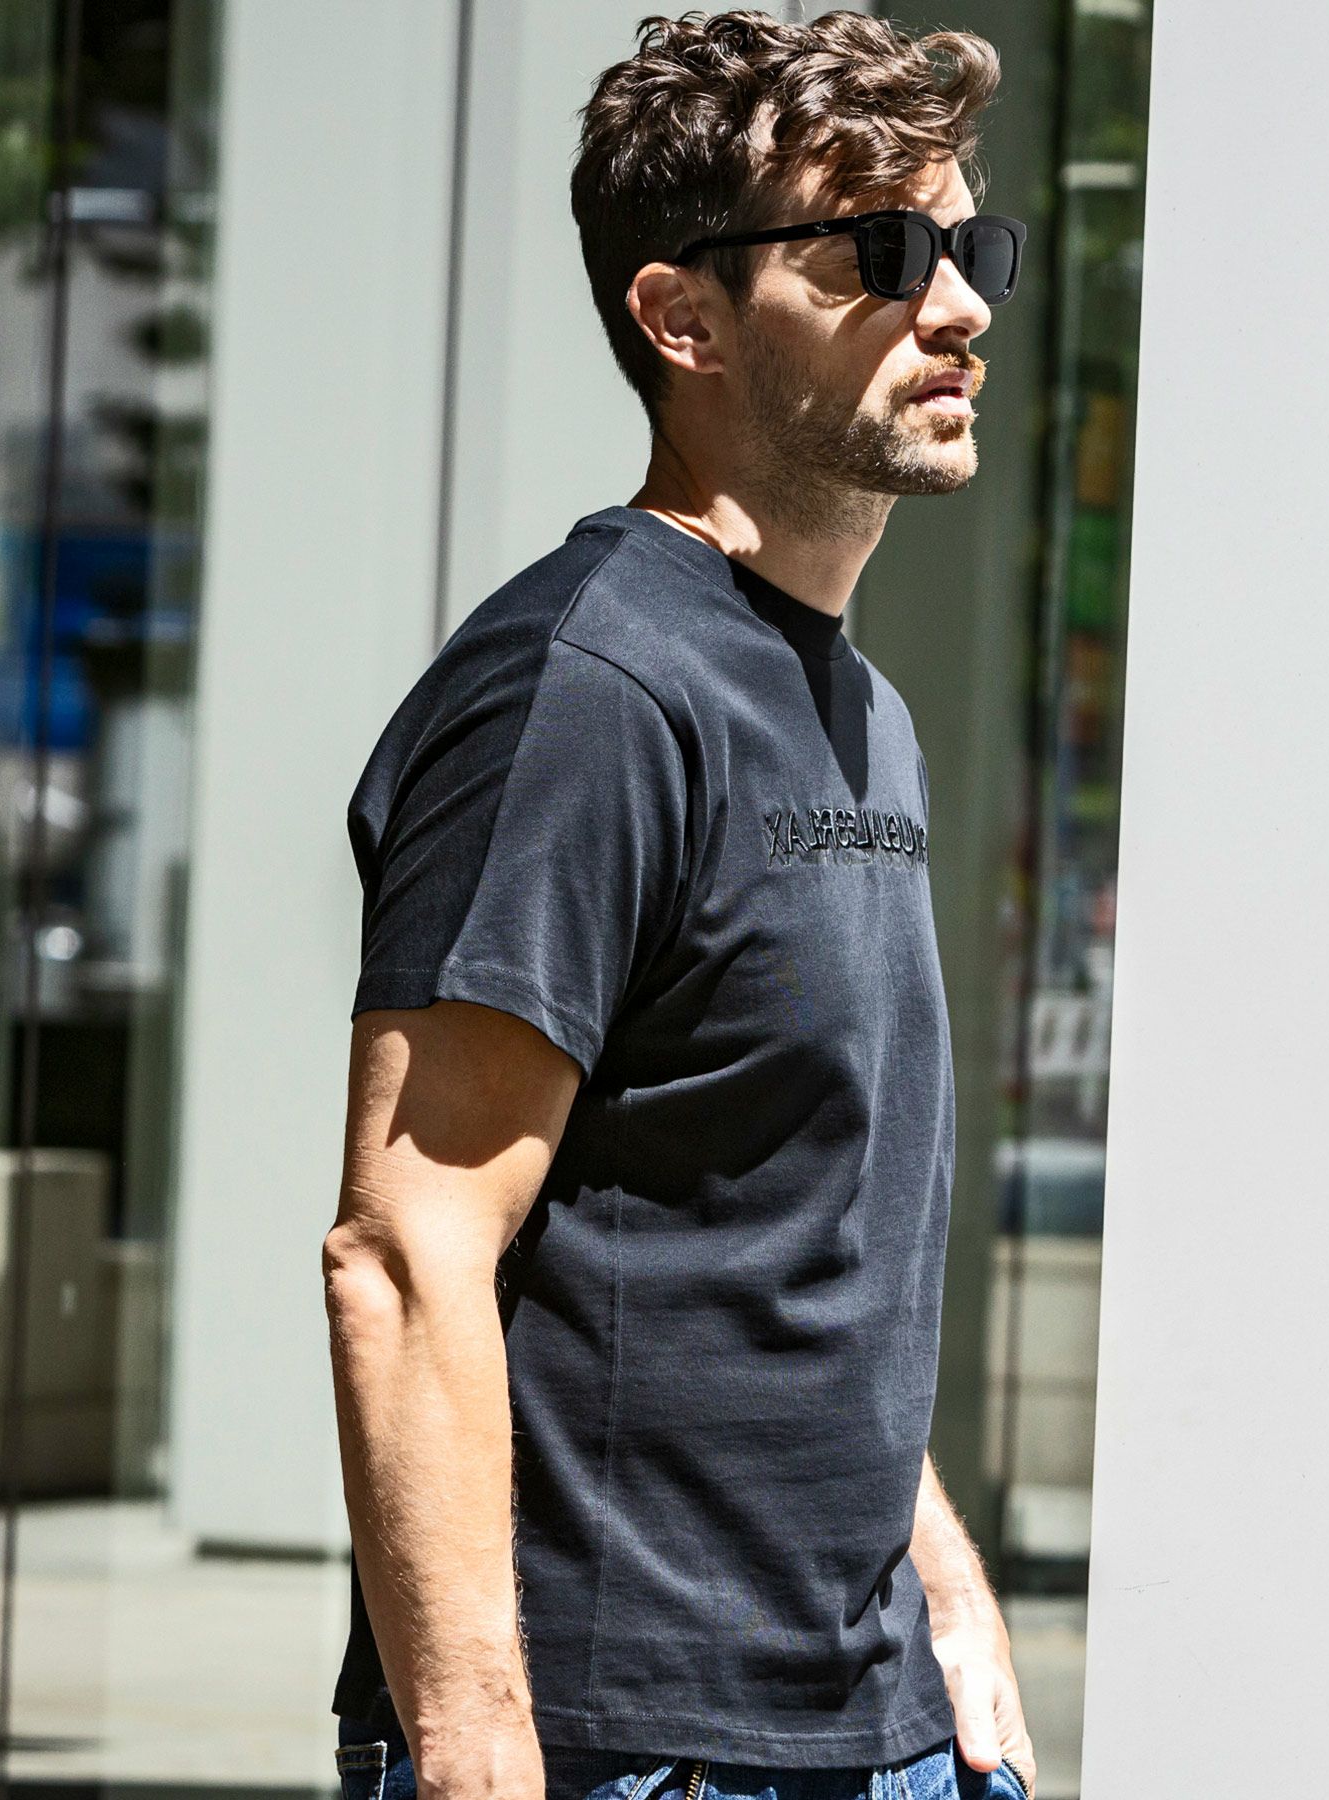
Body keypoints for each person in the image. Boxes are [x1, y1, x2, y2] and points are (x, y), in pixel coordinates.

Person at [322, 10, 1035, 1800]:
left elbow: (788, 1236)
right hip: (628, 1748)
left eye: (967, 248)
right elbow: (405, 1254)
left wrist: (943, 1577)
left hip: (880, 1728)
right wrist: (476, 1751)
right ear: (682, 317)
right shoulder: (585, 691)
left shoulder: (857, 707)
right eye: (877, 254)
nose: (956, 305)